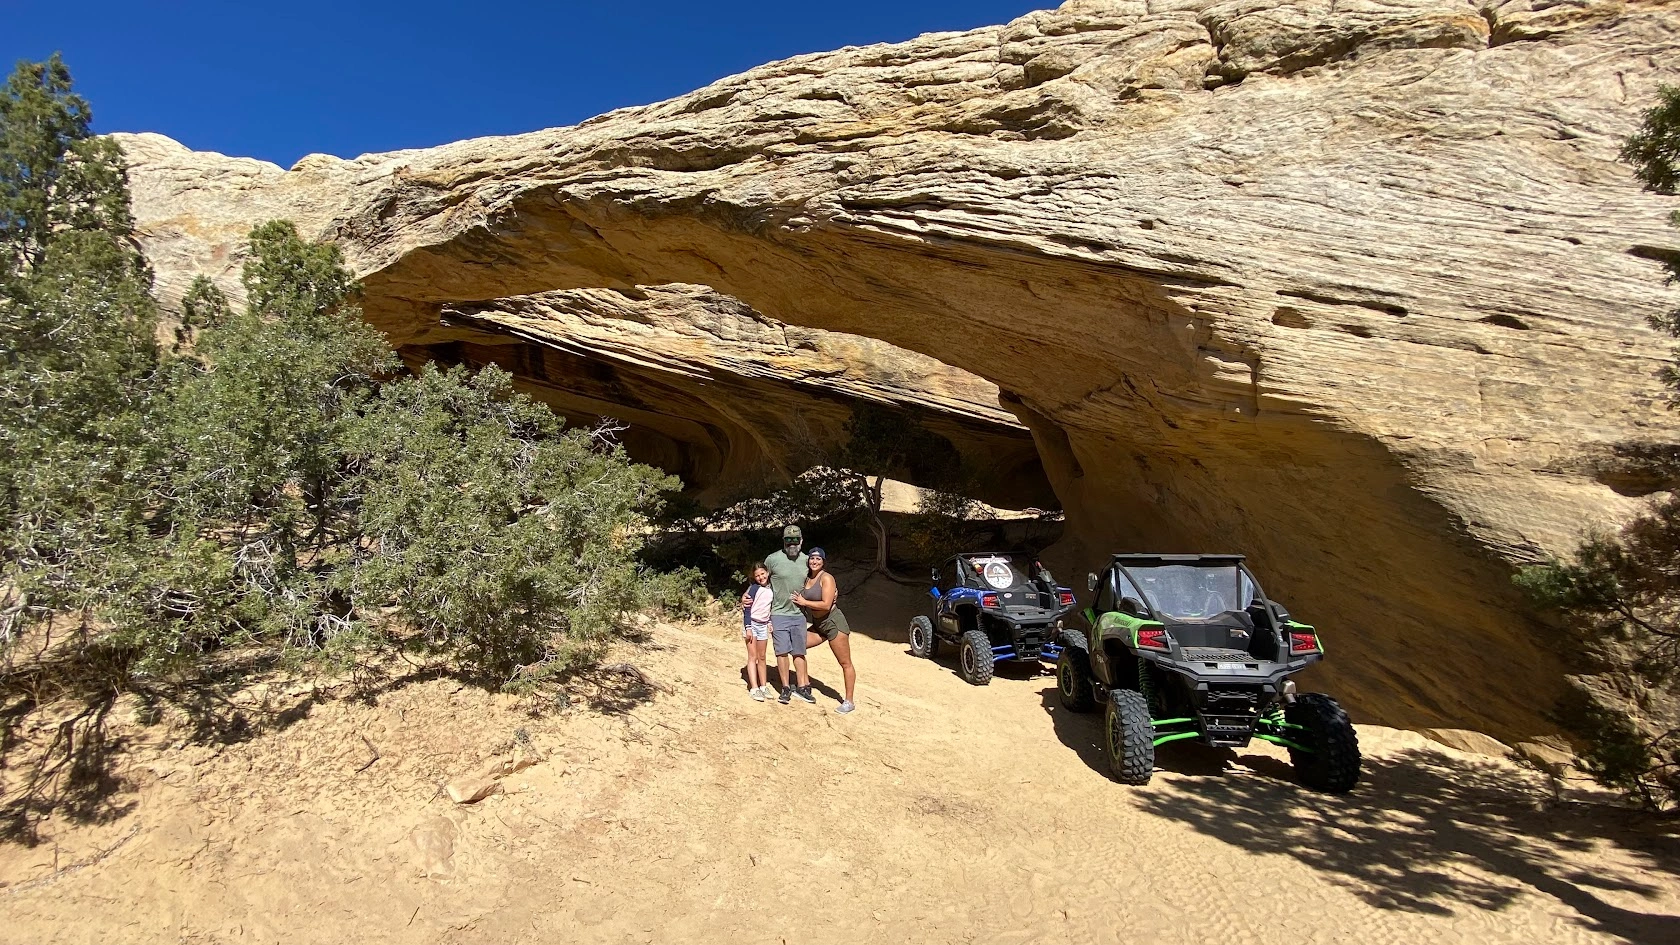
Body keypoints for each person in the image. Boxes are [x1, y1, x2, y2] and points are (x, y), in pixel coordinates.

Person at [743, 524, 814, 705]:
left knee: (799, 652)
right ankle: (785, 687)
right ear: (783, 541)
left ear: (801, 541)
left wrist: (833, 592)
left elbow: (817, 580)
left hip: (799, 614)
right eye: (788, 540)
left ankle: (802, 687)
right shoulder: (773, 559)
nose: (792, 544)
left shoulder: (807, 561)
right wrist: (746, 595)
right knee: (781, 652)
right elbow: (759, 578)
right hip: (778, 614)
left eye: (795, 540)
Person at [795, 546, 857, 714]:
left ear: (823, 562)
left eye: (818, 559)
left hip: (833, 623)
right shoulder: (807, 578)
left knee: (845, 663)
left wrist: (804, 602)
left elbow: (826, 604)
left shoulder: (827, 578)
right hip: (818, 624)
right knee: (797, 645)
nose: (814, 561)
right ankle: (804, 685)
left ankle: (849, 701)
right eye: (812, 558)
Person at [741, 563, 773, 701]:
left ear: (767, 572)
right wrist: (748, 627)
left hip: (763, 625)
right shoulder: (754, 588)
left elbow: (768, 607)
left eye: (762, 574)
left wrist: (769, 622)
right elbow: (747, 608)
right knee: (752, 656)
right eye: (757, 575)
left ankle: (763, 686)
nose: (761, 577)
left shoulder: (771, 588)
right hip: (752, 624)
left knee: (762, 656)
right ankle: (754, 687)